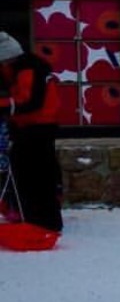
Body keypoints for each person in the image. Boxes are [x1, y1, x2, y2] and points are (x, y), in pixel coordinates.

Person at [0, 31, 63, 232]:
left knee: (36, 174)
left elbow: (28, 102)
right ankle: (31, 216)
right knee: (25, 171)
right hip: (27, 127)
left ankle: (43, 222)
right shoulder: (21, 69)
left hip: (38, 127)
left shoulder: (29, 69)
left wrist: (3, 105)